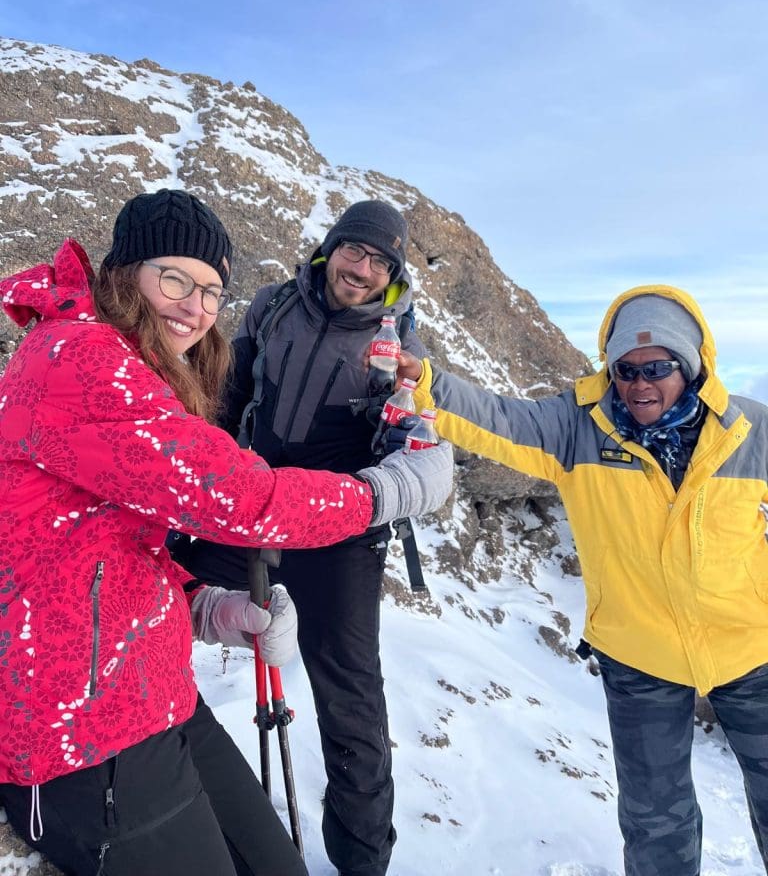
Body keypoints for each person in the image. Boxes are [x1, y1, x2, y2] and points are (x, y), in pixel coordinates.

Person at [0, 188, 453, 876]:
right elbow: (232, 477)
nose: (195, 306)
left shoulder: (394, 343)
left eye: (211, 290)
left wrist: (203, 607)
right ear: (126, 273)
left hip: (162, 681)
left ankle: (364, 858)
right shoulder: (85, 360)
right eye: (175, 278)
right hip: (79, 731)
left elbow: (113, 538)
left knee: (344, 716)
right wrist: (383, 493)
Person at [394, 284, 768, 876]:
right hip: (639, 653)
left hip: (753, 647)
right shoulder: (577, 427)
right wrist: (424, 383)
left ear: (692, 366)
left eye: (658, 368)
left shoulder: (752, 431)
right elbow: (497, 417)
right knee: (656, 817)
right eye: (625, 370)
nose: (639, 384)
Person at [172, 199, 427, 876]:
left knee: (351, 702)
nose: (363, 269)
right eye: (355, 251)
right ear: (331, 249)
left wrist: (406, 413)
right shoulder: (275, 306)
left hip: (339, 534)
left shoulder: (400, 346)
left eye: (380, 262)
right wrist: (209, 477)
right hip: (254, 503)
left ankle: (362, 860)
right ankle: (162, 770)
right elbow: (228, 394)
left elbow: (413, 433)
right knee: (157, 581)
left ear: (392, 276)